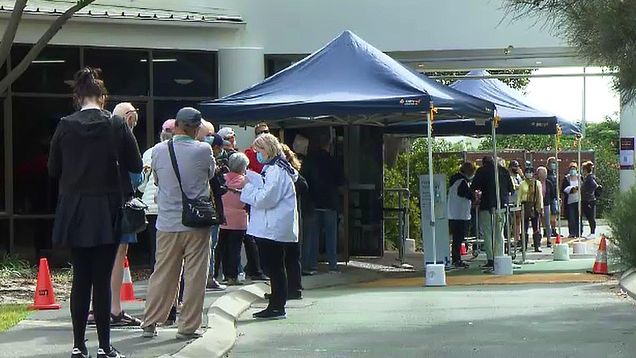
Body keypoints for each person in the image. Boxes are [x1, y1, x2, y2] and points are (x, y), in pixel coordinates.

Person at [49, 67, 141, 358]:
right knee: (101, 280)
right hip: (106, 207)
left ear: (77, 98)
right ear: (103, 98)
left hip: (74, 207)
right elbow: (136, 165)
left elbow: (53, 168)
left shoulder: (65, 125)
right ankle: (104, 345)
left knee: (81, 278)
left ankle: (78, 344)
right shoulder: (116, 124)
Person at [141, 107, 215, 340]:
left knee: (163, 273)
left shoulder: (159, 151)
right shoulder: (204, 149)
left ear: (176, 126)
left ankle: (151, 321)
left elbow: (157, 179)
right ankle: (188, 326)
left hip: (167, 222)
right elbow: (210, 174)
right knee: (195, 275)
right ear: (195, 128)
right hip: (196, 222)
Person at [241, 133, 299, 319]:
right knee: (275, 266)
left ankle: (277, 306)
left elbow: (267, 198)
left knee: (274, 267)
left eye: (259, 150)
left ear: (268, 149)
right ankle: (276, 302)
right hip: (273, 225)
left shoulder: (276, 170)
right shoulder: (278, 168)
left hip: (272, 226)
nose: (257, 154)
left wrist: (249, 187)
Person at [108, 102, 143, 327]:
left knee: (97, 255)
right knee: (118, 254)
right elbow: (136, 173)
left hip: (95, 204)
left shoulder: (94, 136)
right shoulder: (124, 135)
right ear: (128, 118)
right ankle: (113, 308)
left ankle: (99, 306)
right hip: (120, 203)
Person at [302, 134, 343, 274]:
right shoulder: (333, 161)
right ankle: (332, 265)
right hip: (330, 202)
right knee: (331, 235)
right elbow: (341, 181)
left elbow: (303, 180)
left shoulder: (309, 161)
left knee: (313, 235)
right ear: (328, 145)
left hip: (313, 201)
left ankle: (312, 264)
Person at [139, 119, 175, 270]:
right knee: (171, 247)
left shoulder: (149, 152)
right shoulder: (178, 151)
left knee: (156, 245)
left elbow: (141, 186)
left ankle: (156, 276)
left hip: (150, 206)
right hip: (171, 206)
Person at [471, 156, 514, 268]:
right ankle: (500, 256)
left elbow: (474, 186)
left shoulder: (481, 171)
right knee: (499, 232)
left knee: (488, 232)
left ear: (483, 163)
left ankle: (490, 259)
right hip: (501, 205)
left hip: (486, 205)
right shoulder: (503, 170)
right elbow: (511, 189)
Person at [218, 152, 250, 285]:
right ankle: (233, 276)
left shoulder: (222, 179)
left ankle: (224, 274)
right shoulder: (245, 181)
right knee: (235, 249)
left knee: (222, 248)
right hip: (239, 220)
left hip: (223, 219)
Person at [279, 144, 307, 299]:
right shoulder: (291, 171)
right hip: (291, 217)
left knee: (290, 255)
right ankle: (291, 288)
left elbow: (303, 186)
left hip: (289, 217)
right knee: (291, 256)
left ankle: (293, 288)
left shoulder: (290, 173)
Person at [447, 162, 476, 268]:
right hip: (459, 214)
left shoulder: (455, 180)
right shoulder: (462, 182)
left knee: (456, 238)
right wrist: (474, 196)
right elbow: (469, 195)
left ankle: (456, 258)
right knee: (458, 238)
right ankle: (456, 259)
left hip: (454, 213)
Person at [517, 163, 544, 252]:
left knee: (536, 226)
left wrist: (541, 207)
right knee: (524, 226)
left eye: (530, 172)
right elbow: (519, 196)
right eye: (527, 172)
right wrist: (518, 207)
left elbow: (540, 196)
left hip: (535, 205)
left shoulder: (537, 183)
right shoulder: (522, 184)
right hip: (525, 205)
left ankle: (537, 245)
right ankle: (524, 245)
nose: (529, 174)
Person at [581, 161, 601, 240]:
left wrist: (588, 192)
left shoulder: (590, 178)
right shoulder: (587, 178)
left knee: (591, 216)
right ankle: (591, 232)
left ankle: (593, 232)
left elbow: (594, 186)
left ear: (586, 170)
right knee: (589, 216)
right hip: (587, 199)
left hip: (589, 200)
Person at [537, 166, 556, 247]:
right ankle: (537, 240)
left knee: (547, 222)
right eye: (542, 173)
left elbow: (552, 194)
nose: (544, 174)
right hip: (537, 204)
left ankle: (548, 239)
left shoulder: (549, 183)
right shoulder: (536, 182)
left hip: (546, 204)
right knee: (537, 223)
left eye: (545, 173)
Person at [561, 162, 581, 238]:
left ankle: (579, 232)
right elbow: (563, 189)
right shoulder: (566, 178)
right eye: (571, 169)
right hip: (570, 201)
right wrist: (570, 190)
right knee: (571, 217)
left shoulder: (580, 177)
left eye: (574, 169)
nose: (573, 170)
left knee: (578, 217)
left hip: (578, 200)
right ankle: (572, 232)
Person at [546, 157, 560, 237]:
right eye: (553, 163)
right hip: (547, 196)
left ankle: (554, 230)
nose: (555, 164)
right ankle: (546, 230)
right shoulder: (546, 172)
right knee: (547, 215)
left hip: (554, 196)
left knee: (554, 213)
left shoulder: (554, 173)